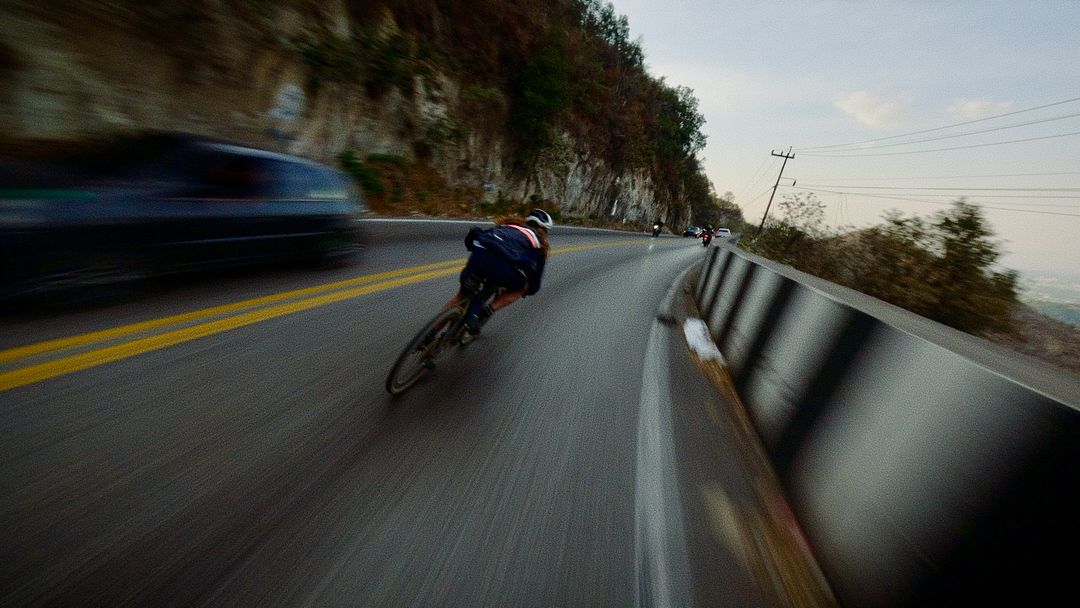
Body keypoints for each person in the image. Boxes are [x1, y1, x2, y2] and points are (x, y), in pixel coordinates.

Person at [447, 208, 553, 338]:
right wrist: (527, 290)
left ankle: (431, 334)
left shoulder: (507, 226)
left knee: (460, 296)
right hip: (502, 269)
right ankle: (487, 311)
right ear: (544, 231)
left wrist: (473, 249)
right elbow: (534, 285)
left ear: (527, 221)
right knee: (521, 288)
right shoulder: (539, 246)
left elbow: (474, 237)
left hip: (479, 257)